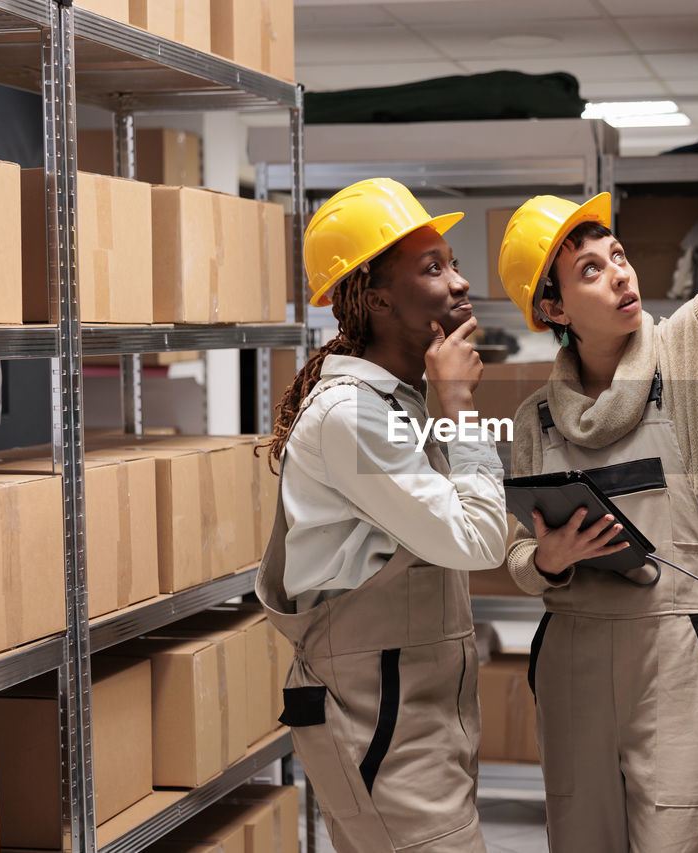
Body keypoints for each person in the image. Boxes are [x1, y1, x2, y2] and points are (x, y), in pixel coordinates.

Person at [496, 18, 698, 853]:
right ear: (554, 311)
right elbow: (510, 548)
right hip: (573, 662)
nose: (622, 271)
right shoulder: (537, 419)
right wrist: (547, 561)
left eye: (617, 253)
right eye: (592, 268)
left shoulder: (692, 350)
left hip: (680, 656)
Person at [255, 177, 505, 853]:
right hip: (382, 726)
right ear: (376, 296)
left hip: (421, 718)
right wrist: (461, 410)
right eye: (433, 268)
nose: (459, 283)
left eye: (452, 263)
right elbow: (478, 537)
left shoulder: (403, 404)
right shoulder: (354, 417)